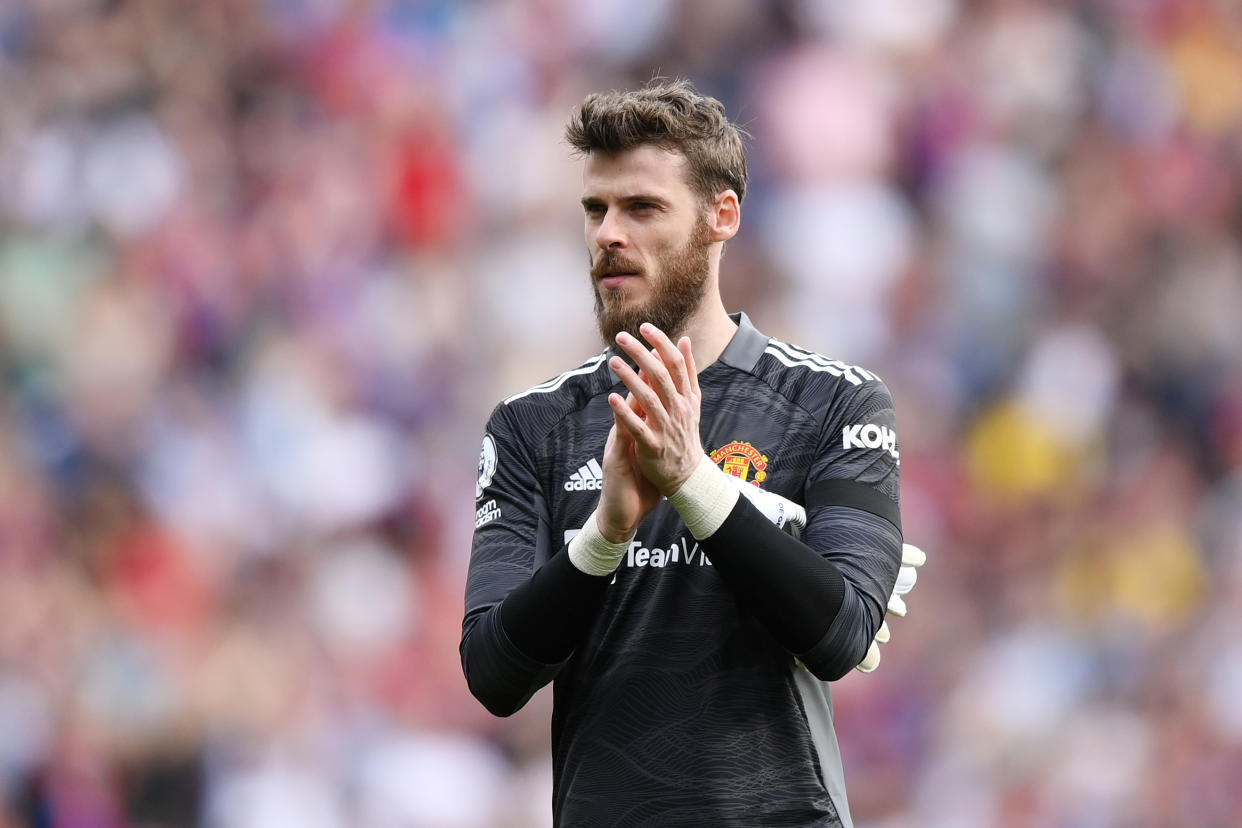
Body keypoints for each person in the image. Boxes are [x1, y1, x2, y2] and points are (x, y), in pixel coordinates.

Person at [461, 79, 915, 827]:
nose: (610, 233)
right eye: (595, 209)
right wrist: (603, 539)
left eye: (642, 208)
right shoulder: (531, 426)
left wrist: (696, 484)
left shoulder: (834, 403)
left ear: (721, 217)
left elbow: (842, 635)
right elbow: (493, 673)